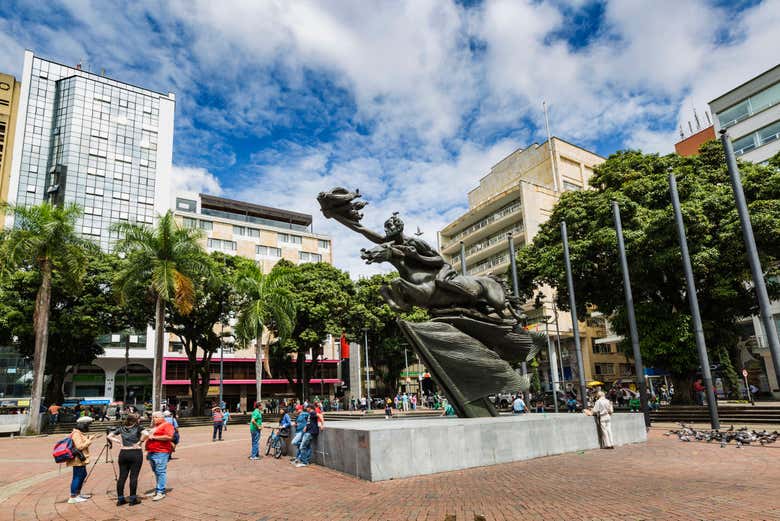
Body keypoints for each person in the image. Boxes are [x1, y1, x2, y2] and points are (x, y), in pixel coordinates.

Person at [108, 413, 147, 506]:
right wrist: (140, 442)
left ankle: (120, 499)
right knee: (133, 477)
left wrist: (117, 441)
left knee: (122, 477)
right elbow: (146, 434)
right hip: (135, 452)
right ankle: (133, 499)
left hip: (123, 453)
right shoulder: (138, 427)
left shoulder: (121, 428)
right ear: (135, 420)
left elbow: (109, 436)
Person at [67, 417, 97, 504]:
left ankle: (77, 494)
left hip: (80, 458)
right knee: (77, 476)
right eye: (87, 425)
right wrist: (89, 440)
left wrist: (89, 437)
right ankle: (73, 496)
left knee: (83, 474)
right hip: (77, 459)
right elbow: (79, 446)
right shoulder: (76, 434)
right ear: (82, 425)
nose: (88, 427)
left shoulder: (79, 433)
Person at [145, 411, 175, 501]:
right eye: (153, 417)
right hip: (152, 451)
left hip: (161, 452)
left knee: (160, 471)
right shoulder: (155, 427)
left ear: (162, 417)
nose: (154, 419)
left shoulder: (167, 425)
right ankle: (158, 489)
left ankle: (160, 491)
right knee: (156, 472)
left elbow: (169, 437)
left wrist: (154, 437)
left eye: (156, 417)